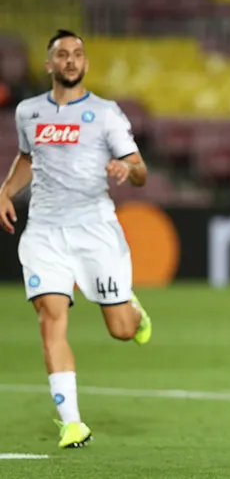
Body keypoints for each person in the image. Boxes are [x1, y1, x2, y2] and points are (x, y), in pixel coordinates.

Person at [0, 29, 153, 448]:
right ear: (49, 64)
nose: (70, 60)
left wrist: (128, 170)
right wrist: (5, 190)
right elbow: (28, 158)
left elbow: (139, 170)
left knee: (121, 329)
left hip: (95, 230)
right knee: (51, 318)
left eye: (77, 54)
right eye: (62, 54)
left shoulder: (105, 113)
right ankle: (72, 423)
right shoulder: (28, 112)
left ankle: (133, 311)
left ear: (85, 64)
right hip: (45, 232)